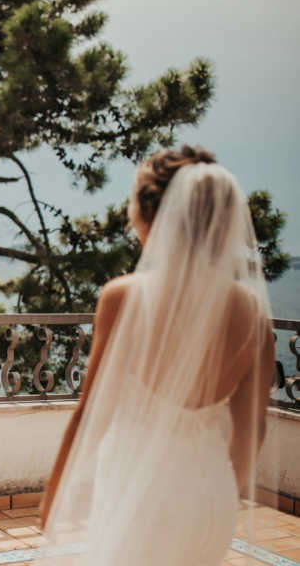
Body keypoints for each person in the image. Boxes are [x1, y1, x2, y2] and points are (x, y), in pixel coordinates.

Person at [39, 146, 274, 565]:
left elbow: (90, 414)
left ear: (150, 215)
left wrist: (53, 498)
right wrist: (219, 492)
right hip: (210, 494)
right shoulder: (253, 313)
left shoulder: (124, 297)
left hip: (138, 492)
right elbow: (251, 429)